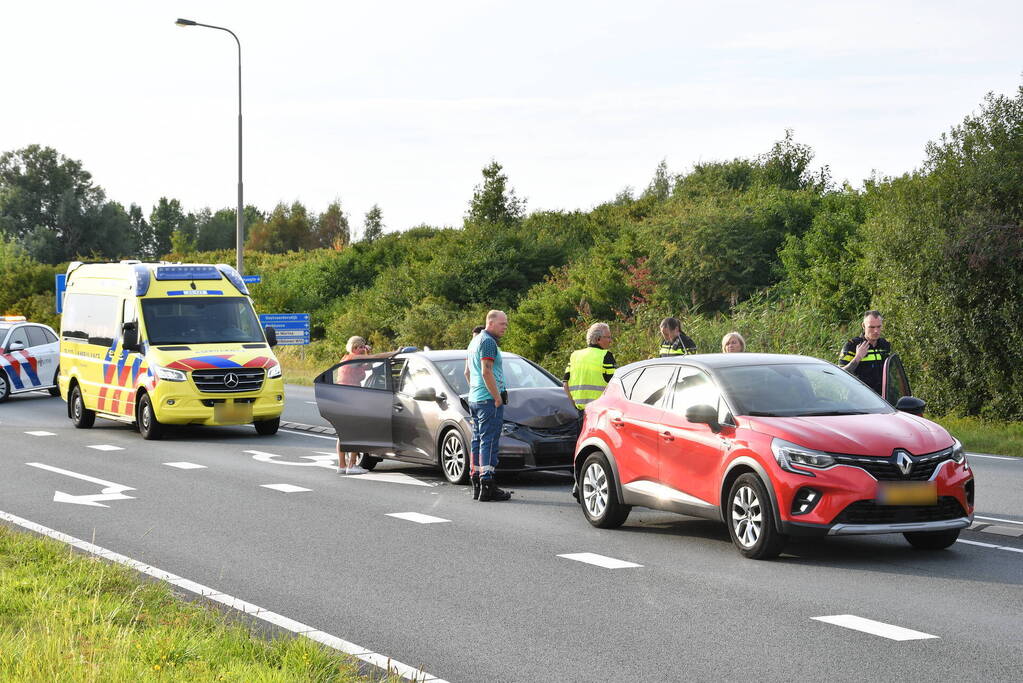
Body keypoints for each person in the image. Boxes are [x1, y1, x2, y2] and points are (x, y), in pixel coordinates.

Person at [464, 310, 511, 502]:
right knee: (489, 441)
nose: (505, 327)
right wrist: (497, 396)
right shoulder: (488, 342)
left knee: (477, 440)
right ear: (490, 323)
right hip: (487, 400)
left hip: (475, 398)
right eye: (502, 324)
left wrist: (475, 391)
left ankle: (476, 480)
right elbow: (486, 371)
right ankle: (487, 484)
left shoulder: (474, 341)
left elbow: (467, 372)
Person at [335, 335, 372, 474]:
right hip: (352, 397)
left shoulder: (347, 358)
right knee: (356, 431)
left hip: (342, 397)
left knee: (343, 433)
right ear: (354, 348)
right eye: (361, 347)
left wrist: (368, 352)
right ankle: (352, 466)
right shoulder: (354, 358)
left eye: (364, 346)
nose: (363, 349)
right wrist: (396, 352)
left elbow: (368, 366)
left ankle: (342, 465)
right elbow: (372, 360)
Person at [563, 322, 617, 411]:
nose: (610, 340)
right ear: (598, 339)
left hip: (579, 411)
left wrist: (575, 406)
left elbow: (565, 384)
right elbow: (615, 385)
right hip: (600, 411)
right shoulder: (605, 355)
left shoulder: (575, 355)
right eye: (608, 337)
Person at [838, 310, 891, 395]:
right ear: (863, 326)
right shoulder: (851, 346)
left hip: (882, 400)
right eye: (872, 327)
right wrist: (857, 358)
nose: (876, 331)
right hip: (859, 400)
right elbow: (840, 373)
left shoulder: (885, 345)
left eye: (878, 327)